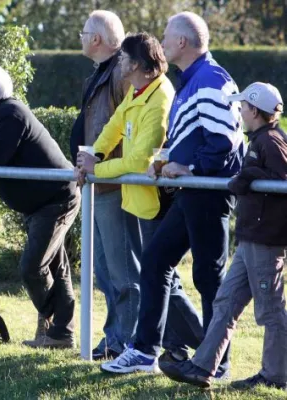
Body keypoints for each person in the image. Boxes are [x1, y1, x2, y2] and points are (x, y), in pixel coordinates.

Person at [102, 11, 244, 374]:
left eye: (167, 37)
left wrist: (190, 167)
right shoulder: (193, 79)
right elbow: (194, 137)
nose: (161, 44)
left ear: (182, 42)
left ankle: (217, 363)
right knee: (155, 260)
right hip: (191, 192)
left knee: (208, 279)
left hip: (208, 193)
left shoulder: (210, 78)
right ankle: (145, 350)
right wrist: (167, 161)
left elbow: (224, 142)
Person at [77, 32, 203, 371]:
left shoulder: (161, 98)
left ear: (136, 64)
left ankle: (205, 344)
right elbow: (115, 125)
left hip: (157, 202)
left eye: (122, 58)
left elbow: (137, 160)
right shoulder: (137, 89)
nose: (117, 61)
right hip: (139, 201)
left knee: (162, 276)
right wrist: (95, 153)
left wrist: (97, 167)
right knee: (159, 275)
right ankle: (183, 346)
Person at [160, 82, 287, 391]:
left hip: (265, 240)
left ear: (255, 111)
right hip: (250, 238)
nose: (239, 111)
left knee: (270, 310)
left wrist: (248, 177)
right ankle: (202, 367)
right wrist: (248, 177)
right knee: (225, 302)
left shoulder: (270, 141)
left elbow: (283, 179)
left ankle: (276, 376)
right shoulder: (262, 139)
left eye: (242, 107)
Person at [0, 64, 80, 348]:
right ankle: (60, 333)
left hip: (56, 198)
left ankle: (55, 325)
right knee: (55, 270)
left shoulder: (11, 113)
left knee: (33, 267)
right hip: (40, 202)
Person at [70, 10, 133, 360]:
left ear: (96, 38)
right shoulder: (99, 75)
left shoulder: (122, 73)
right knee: (105, 271)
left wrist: (107, 166)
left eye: (83, 32)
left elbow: (130, 128)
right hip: (97, 183)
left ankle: (126, 340)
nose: (80, 38)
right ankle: (115, 338)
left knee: (121, 270)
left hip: (115, 185)